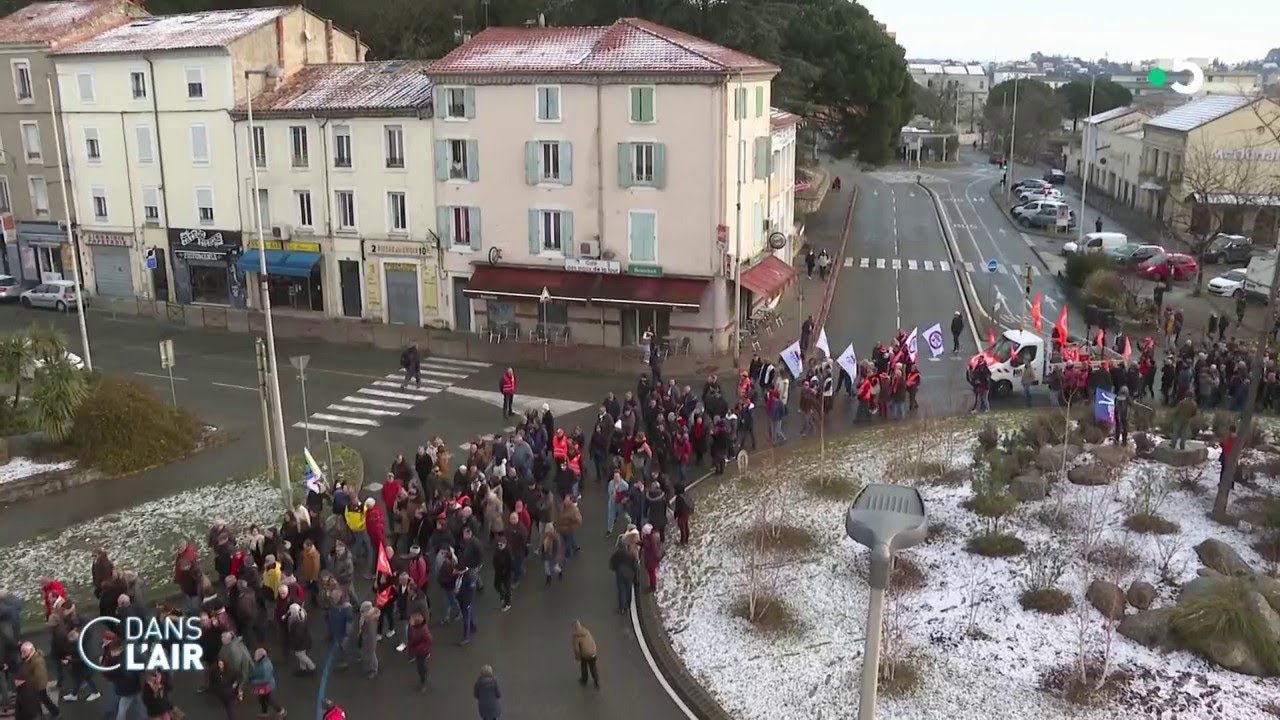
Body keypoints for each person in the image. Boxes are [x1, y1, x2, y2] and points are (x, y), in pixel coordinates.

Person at [248, 647, 286, 718]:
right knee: (261, 699)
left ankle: (281, 711)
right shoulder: (259, 662)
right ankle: (264, 712)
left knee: (270, 699)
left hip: (267, 686)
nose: (255, 657)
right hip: (261, 686)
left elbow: (265, 679)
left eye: (257, 656)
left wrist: (253, 681)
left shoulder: (266, 666)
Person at [608, 537, 639, 613]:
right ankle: (627, 606)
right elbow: (635, 566)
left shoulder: (617, 554)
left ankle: (621, 607)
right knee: (628, 590)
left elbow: (612, 562)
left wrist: (615, 569)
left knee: (621, 590)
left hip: (620, 573)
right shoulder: (631, 555)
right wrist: (636, 578)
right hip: (629, 574)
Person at [405, 612, 433, 691]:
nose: (410, 621)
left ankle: (424, 681)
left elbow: (430, 640)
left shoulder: (423, 630)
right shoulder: (412, 628)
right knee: (419, 666)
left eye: (411, 620)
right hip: (417, 651)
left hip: (422, 652)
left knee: (421, 666)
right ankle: (423, 678)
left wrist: (419, 648)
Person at [570, 620, 600, 688]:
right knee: (593, 667)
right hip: (593, 652)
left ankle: (584, 680)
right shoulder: (587, 631)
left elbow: (576, 649)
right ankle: (596, 680)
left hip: (585, 654)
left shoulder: (576, 637)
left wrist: (577, 657)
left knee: (584, 666)